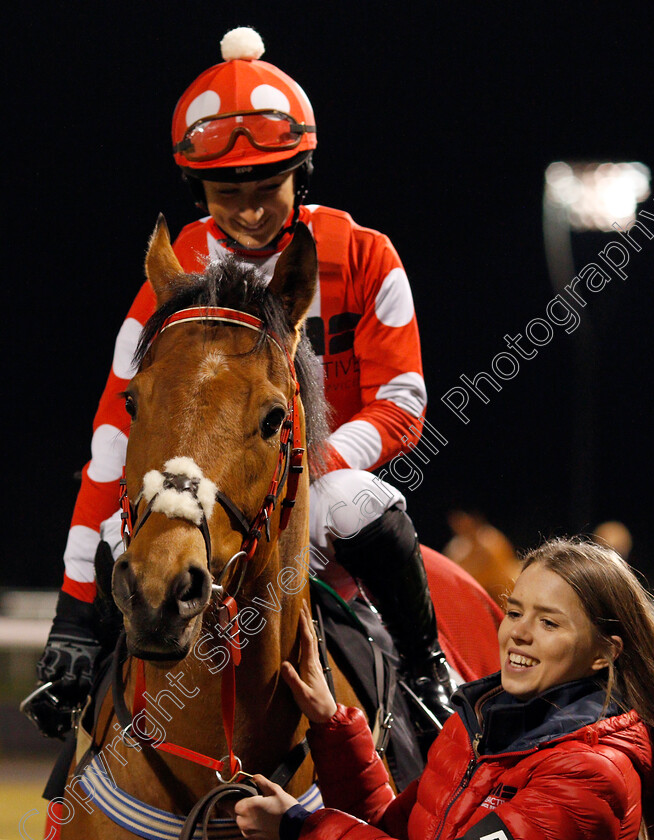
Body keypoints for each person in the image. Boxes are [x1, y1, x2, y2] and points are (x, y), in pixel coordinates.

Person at [32, 26, 459, 740]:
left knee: (354, 502)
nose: (251, 209)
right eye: (226, 192)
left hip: (308, 489)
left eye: (268, 186)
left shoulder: (364, 254)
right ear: (197, 186)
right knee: (127, 538)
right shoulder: (166, 279)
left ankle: (424, 669)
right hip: (192, 494)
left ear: (304, 172)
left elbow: (402, 403)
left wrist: (298, 468)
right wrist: (73, 616)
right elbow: (112, 442)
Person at [233, 537, 654, 840]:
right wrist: (332, 724)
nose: (518, 634)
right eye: (515, 612)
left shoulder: (588, 775)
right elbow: (390, 827)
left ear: (604, 653)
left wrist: (298, 826)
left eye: (548, 622)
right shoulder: (475, 724)